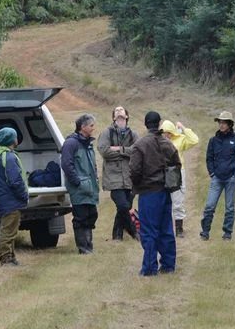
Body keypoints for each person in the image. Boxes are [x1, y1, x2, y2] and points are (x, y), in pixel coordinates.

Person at [129, 111, 181, 276]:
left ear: (145, 124)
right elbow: (177, 164)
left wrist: (137, 185)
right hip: (164, 191)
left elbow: (134, 170)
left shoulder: (140, 144)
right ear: (159, 124)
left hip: (149, 192)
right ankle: (168, 265)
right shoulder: (167, 143)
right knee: (166, 228)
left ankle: (150, 268)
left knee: (149, 230)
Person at [61, 113, 100, 254]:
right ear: (82, 127)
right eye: (91, 125)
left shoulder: (87, 143)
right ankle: (83, 248)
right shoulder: (71, 143)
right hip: (79, 188)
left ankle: (89, 246)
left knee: (91, 215)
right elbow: (66, 164)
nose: (93, 128)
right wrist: (77, 182)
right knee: (80, 218)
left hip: (89, 188)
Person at [99, 106, 138, 241]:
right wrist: (126, 152)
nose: (119, 111)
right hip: (113, 177)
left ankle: (117, 236)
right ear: (114, 117)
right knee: (123, 205)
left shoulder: (133, 134)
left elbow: (137, 151)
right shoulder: (106, 133)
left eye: (122, 110)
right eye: (116, 110)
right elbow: (104, 151)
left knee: (125, 208)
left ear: (127, 116)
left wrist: (119, 149)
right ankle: (134, 232)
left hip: (130, 177)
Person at [200, 110, 235, 241]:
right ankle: (205, 231)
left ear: (230, 124)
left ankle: (227, 233)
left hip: (230, 178)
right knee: (209, 206)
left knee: (229, 208)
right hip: (217, 178)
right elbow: (209, 158)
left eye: (224, 123)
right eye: (220, 122)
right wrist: (212, 173)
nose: (221, 125)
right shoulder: (213, 140)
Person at [0, 126, 28, 266]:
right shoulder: (10, 157)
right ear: (12, 140)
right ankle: (6, 258)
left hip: (4, 198)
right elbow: (15, 180)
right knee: (8, 231)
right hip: (11, 199)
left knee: (11, 230)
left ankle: (11, 256)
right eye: (15, 136)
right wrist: (23, 195)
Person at [159, 118, 199, 238]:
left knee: (178, 201)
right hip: (161, 172)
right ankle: (163, 227)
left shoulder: (180, 139)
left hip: (177, 172)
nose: (166, 135)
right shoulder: (158, 141)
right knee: (162, 201)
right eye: (164, 132)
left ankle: (179, 228)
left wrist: (184, 128)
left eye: (168, 132)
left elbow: (194, 140)